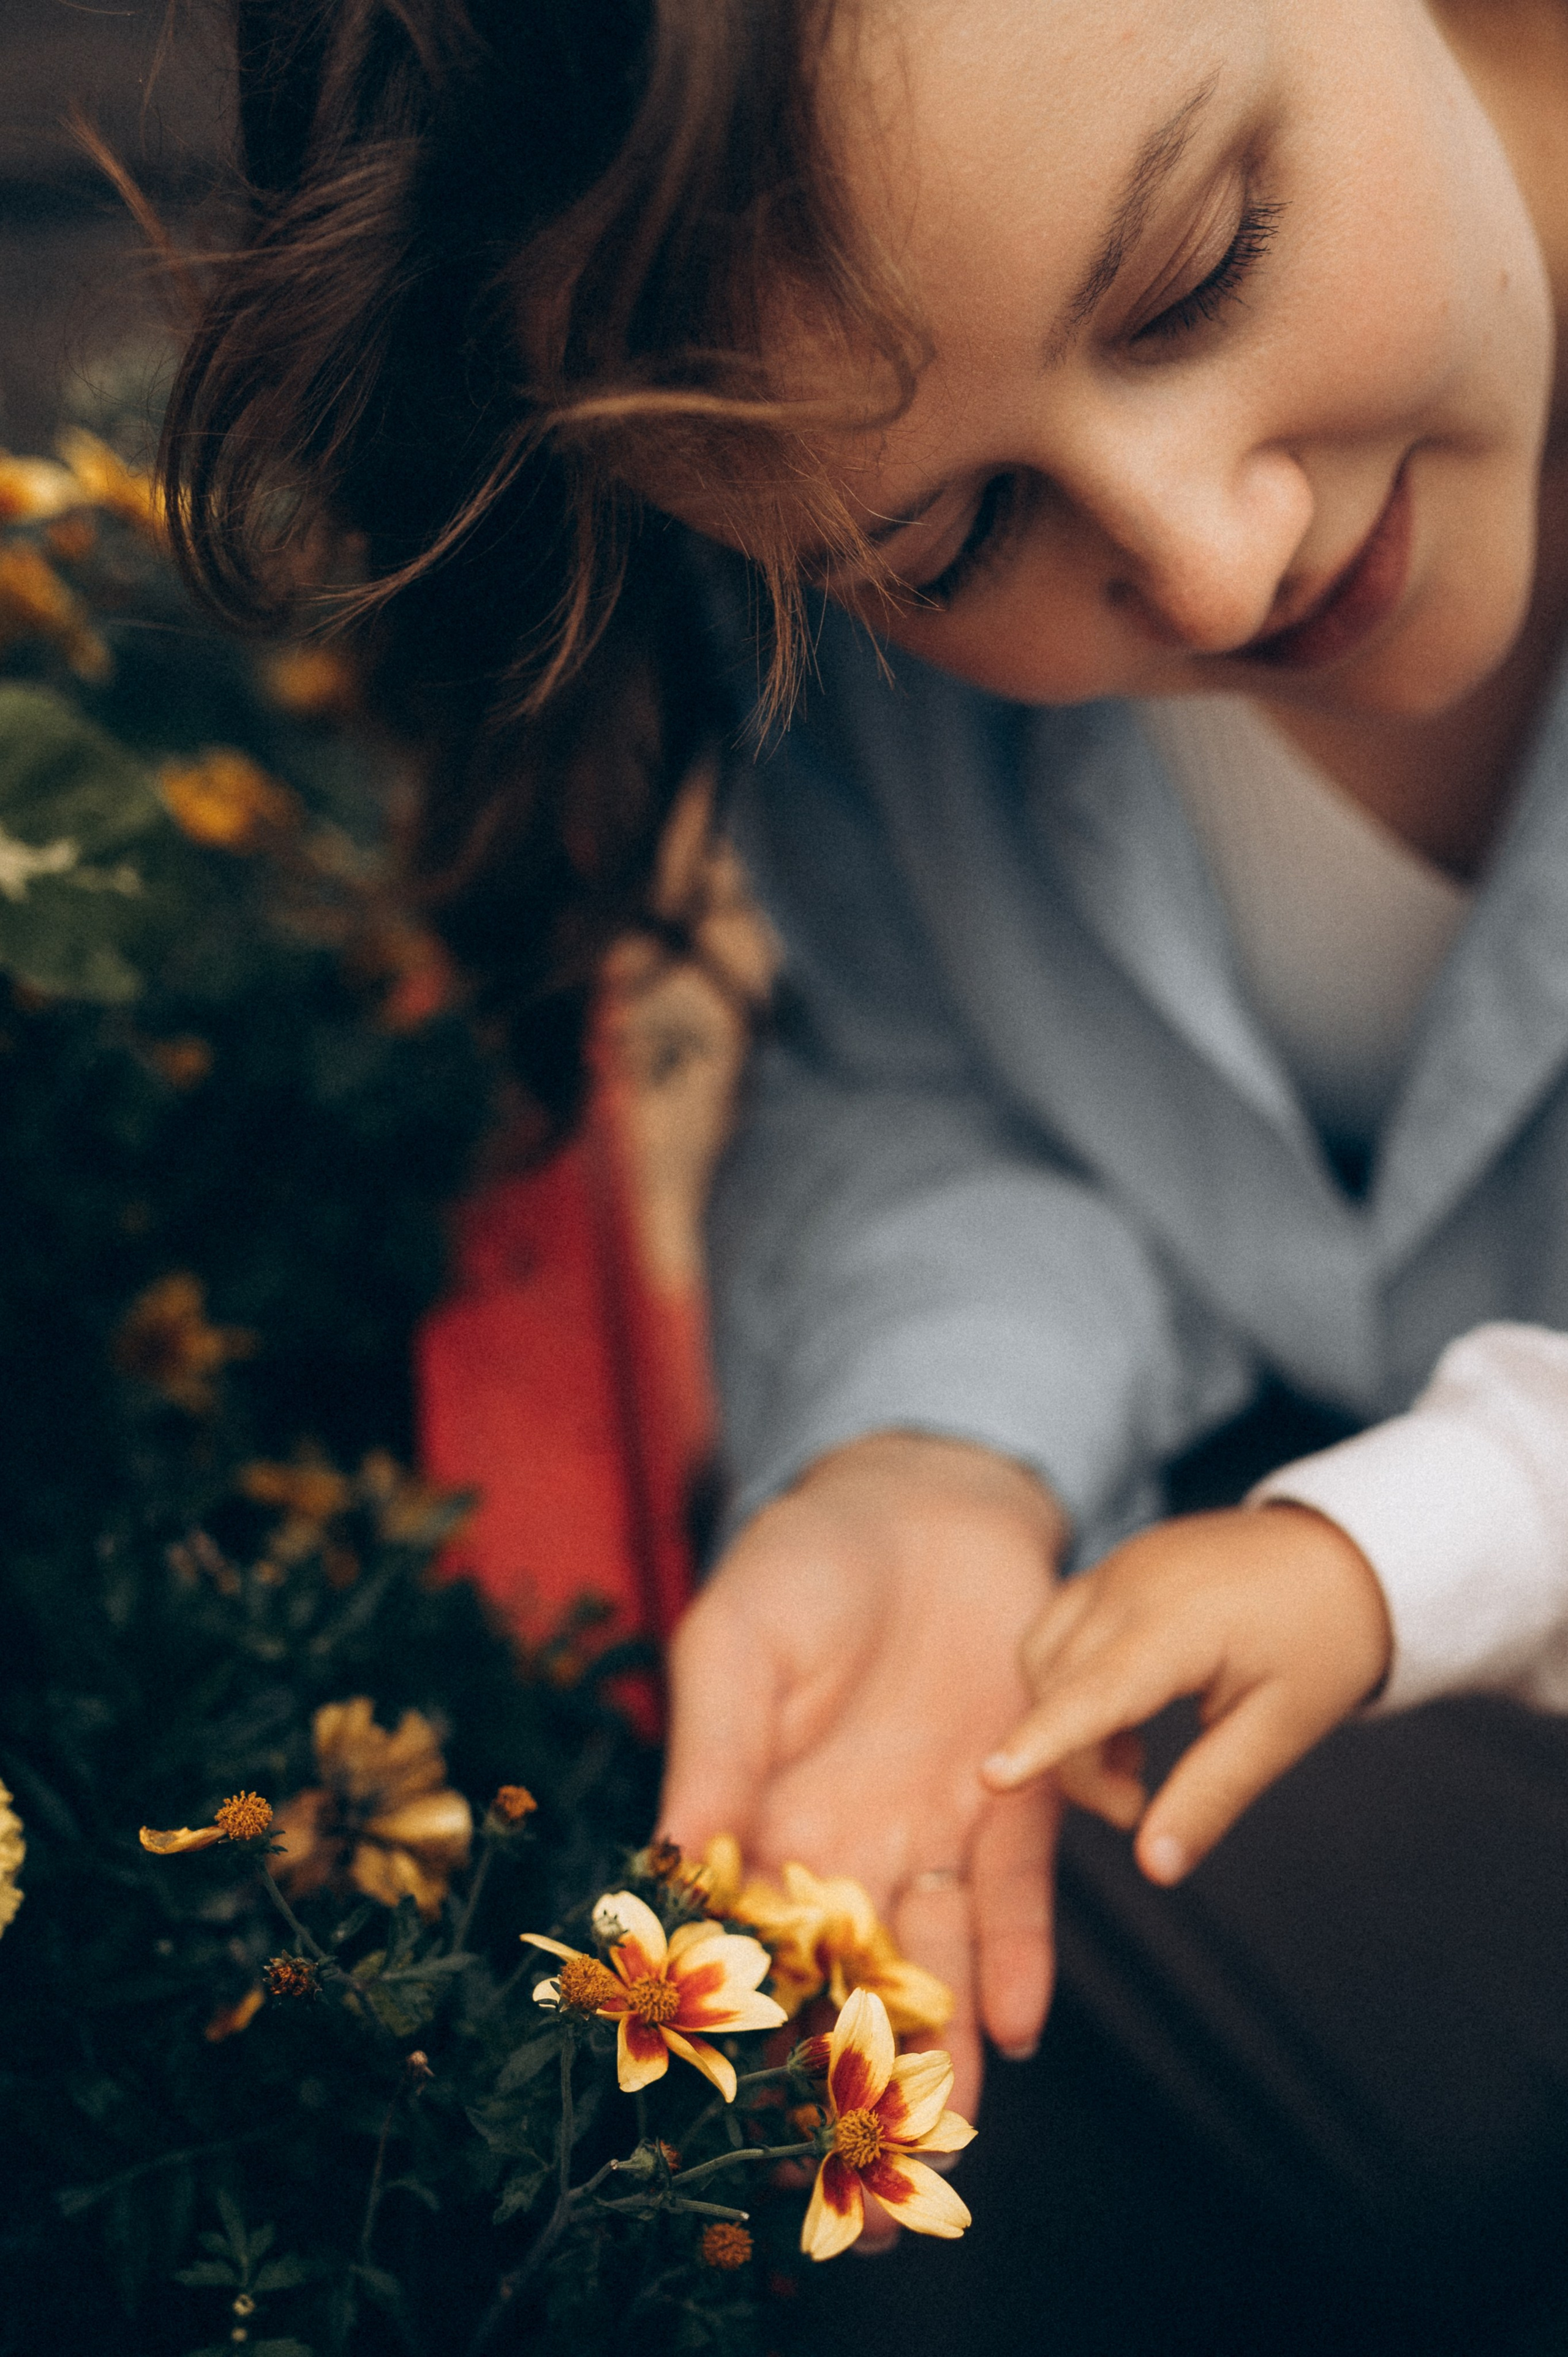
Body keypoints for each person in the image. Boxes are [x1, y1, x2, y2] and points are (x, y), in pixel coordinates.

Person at [163, 2, 1568, 2347]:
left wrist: (1404, 1545)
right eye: (945, 541)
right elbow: (952, 1078)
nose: (1211, 572)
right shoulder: (822, 576)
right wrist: (932, 1444)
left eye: (1210, 257)